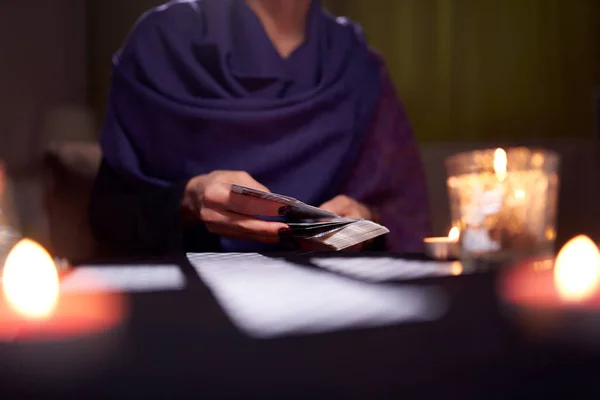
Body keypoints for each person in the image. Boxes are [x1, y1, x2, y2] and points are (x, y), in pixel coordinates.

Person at [90, 0, 430, 256]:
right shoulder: (163, 43)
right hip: (191, 308)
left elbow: (403, 217)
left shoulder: (358, 65)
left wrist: (362, 222)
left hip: (330, 308)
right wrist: (189, 198)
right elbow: (110, 219)